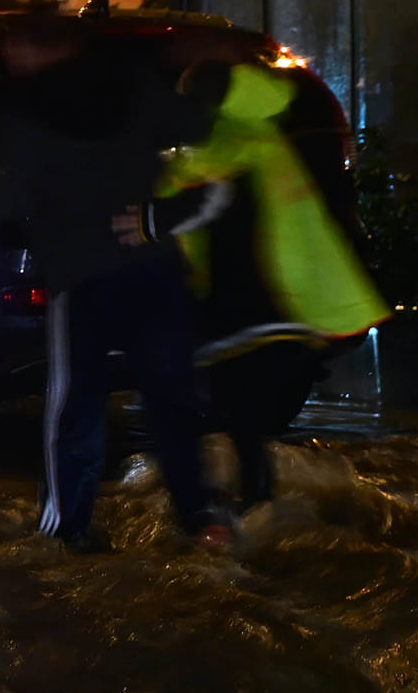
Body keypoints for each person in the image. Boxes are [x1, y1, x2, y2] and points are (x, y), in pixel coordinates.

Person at [0, 15, 228, 553]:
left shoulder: (20, 111)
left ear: (29, 49)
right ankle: (203, 520)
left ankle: (66, 534)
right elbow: (200, 130)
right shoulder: (129, 87)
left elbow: (9, 199)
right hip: (154, 270)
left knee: (77, 409)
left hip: (83, 277)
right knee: (171, 403)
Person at [150, 62, 390, 512]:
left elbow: (187, 226)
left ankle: (244, 508)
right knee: (250, 420)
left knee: (231, 417)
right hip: (285, 306)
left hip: (235, 311)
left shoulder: (205, 154)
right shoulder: (266, 139)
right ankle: (262, 503)